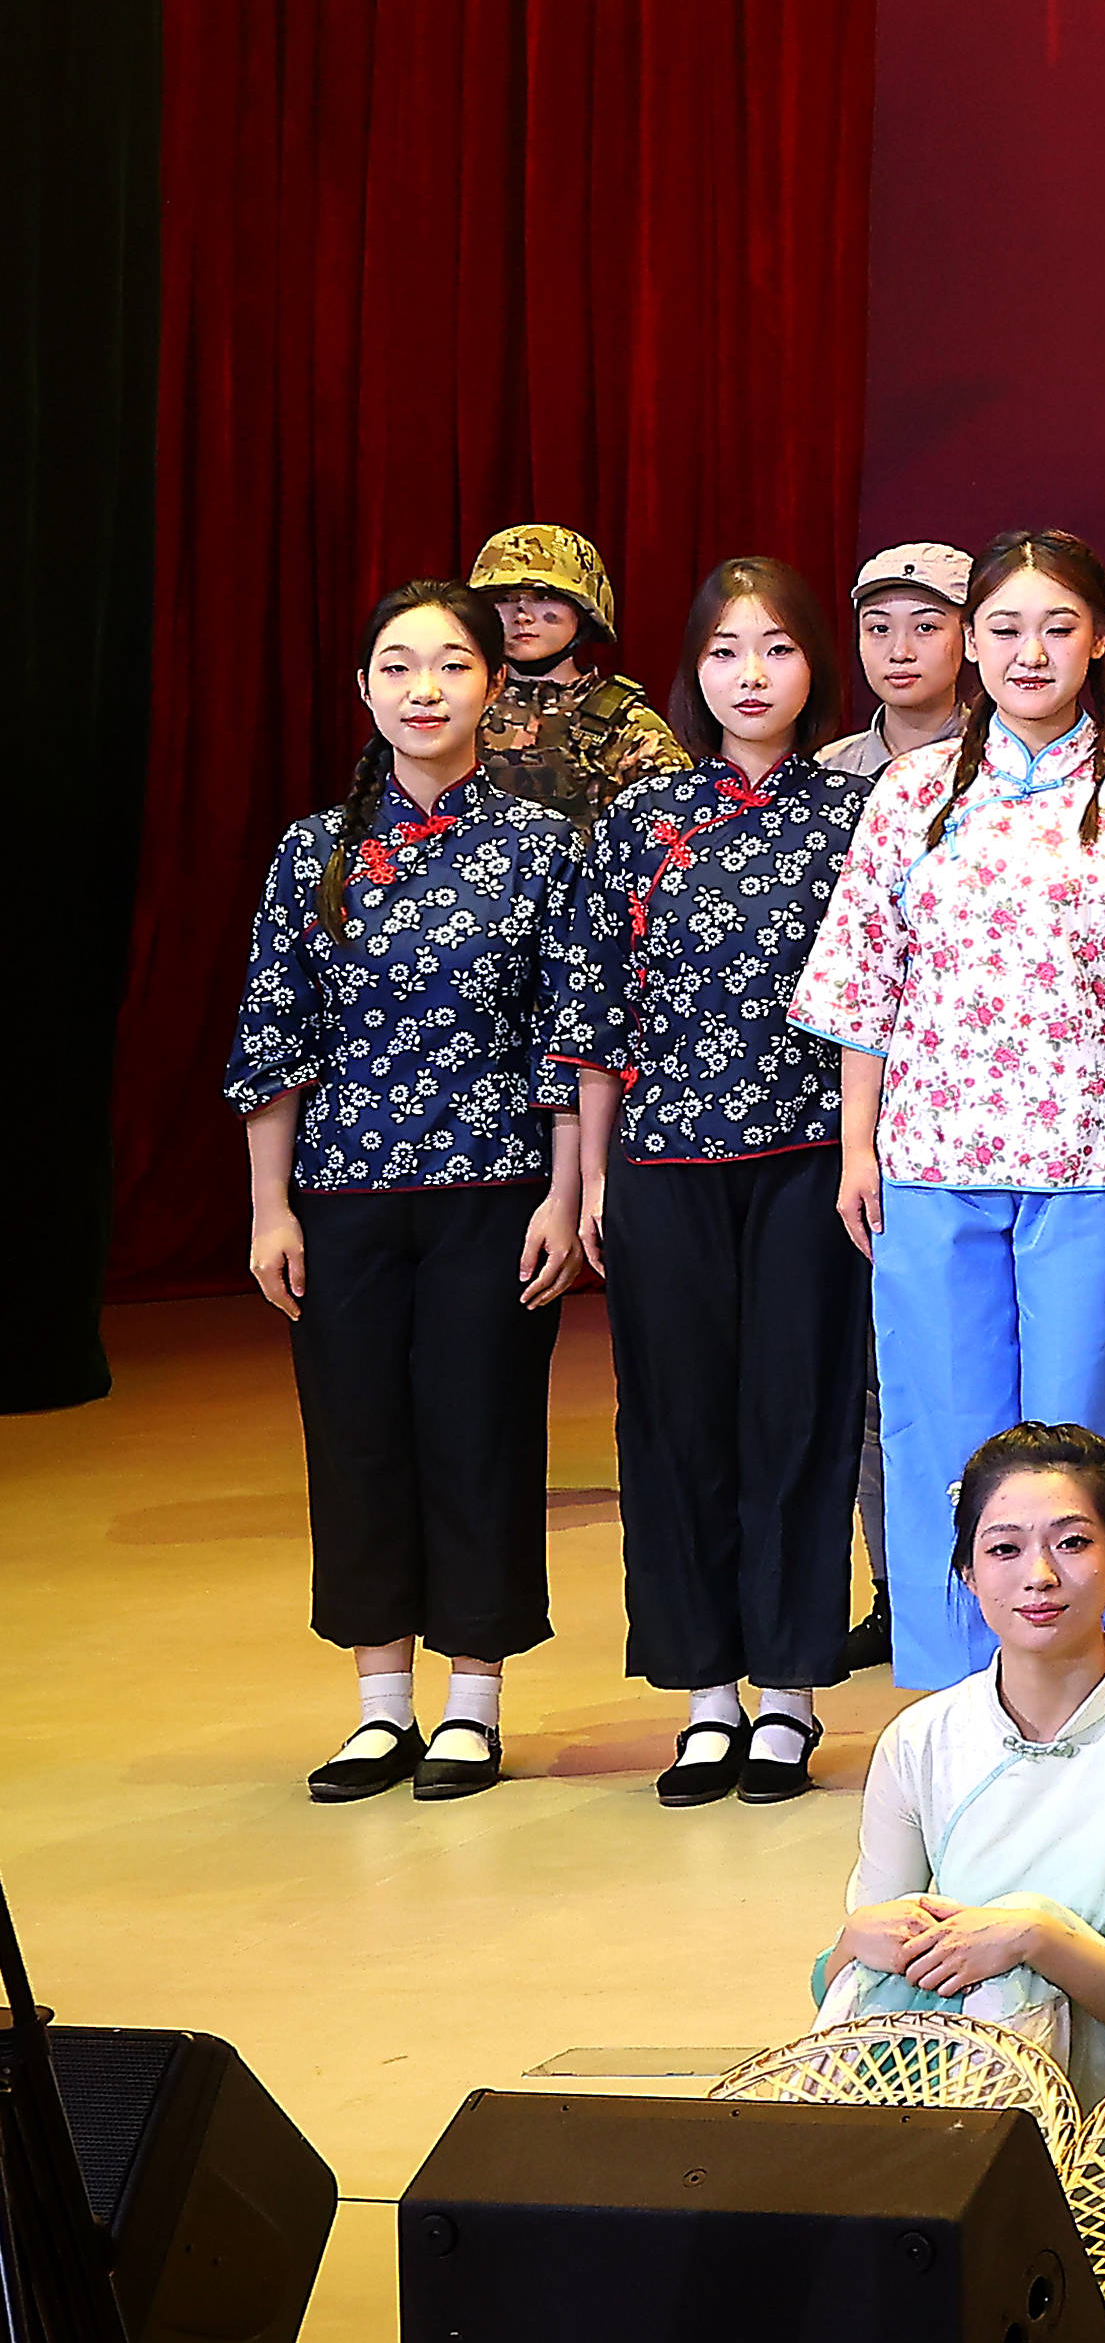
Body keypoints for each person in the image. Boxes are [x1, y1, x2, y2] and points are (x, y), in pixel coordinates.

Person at [233, 581, 608, 1801]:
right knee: (355, 1438)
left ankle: (471, 1705)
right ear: (365, 690)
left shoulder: (542, 845)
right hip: (341, 1191)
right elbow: (274, 1034)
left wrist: (566, 1196)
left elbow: (570, 1033)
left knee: (479, 1432)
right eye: (398, 666)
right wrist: (270, 1206)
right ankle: (379, 1706)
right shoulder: (315, 850)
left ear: (493, 688)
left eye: (451, 664)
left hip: (495, 1189)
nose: (424, 688)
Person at [802, 534, 1105, 1699]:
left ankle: (1094, 1684)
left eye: (1058, 627)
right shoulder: (912, 791)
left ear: (1100, 638)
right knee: (940, 1427)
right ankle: (956, 1692)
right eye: (1006, 628)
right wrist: (857, 1145)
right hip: (929, 1160)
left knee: (1091, 1435)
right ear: (971, 642)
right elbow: (867, 976)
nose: (1032, 652)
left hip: (1092, 1162)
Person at [600, 561, 872, 1805]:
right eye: (724, 650)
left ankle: (791, 1694)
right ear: (692, 670)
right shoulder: (640, 818)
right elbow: (594, 1006)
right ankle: (706, 1695)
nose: (750, 675)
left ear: (815, 666)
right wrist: (587, 1181)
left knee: (801, 1416)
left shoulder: (862, 814)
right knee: (673, 1423)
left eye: (776, 647)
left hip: (814, 1161)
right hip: (663, 1162)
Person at [816, 1427, 1105, 2129]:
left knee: (1018, 1966)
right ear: (969, 1571)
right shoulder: (919, 1740)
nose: (1039, 1575)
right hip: (939, 2084)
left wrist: (1036, 1939)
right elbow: (852, 1986)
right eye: (1004, 1549)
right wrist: (858, 1940)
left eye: (1072, 1543)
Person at [461, 521, 682, 825]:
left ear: (583, 611)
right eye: (504, 599)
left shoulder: (628, 725)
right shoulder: (460, 707)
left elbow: (676, 832)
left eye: (543, 597)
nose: (522, 615)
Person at [836, 540, 979, 784]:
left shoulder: (1001, 766)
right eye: (880, 629)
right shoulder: (829, 770)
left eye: (925, 627)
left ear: (969, 635)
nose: (900, 652)